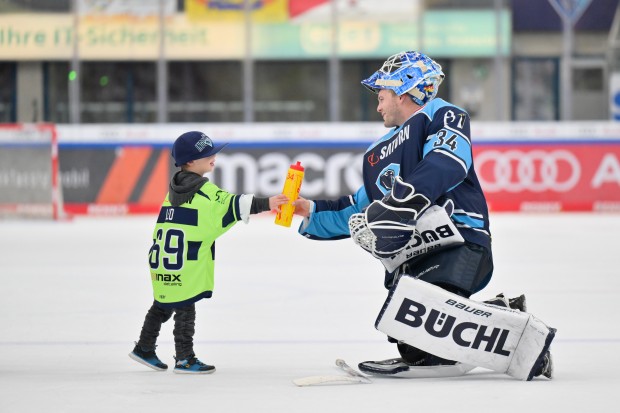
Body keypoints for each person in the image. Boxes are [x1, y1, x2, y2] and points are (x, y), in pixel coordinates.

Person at [292, 51, 554, 380]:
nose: (378, 106)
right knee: (413, 347)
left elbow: (447, 160)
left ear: (403, 91)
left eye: (382, 96)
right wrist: (308, 211)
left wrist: (399, 204)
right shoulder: (375, 154)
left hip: (458, 241)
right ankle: (502, 312)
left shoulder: (441, 114)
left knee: (431, 327)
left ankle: (514, 335)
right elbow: (357, 206)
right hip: (412, 255)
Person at [129, 131, 288, 374]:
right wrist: (268, 203)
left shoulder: (172, 192)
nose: (214, 156)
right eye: (207, 154)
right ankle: (184, 358)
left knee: (162, 304)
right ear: (191, 161)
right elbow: (233, 204)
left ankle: (144, 347)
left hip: (163, 262)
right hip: (185, 264)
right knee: (185, 309)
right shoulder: (203, 191)